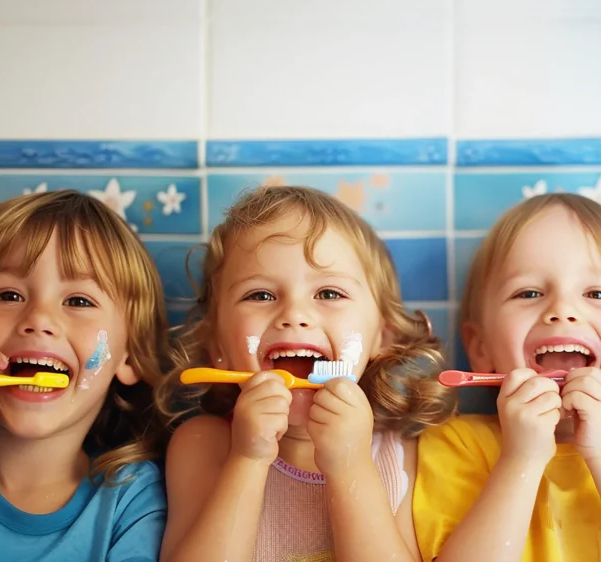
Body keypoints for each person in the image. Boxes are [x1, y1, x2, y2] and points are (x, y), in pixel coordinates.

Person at [157, 185, 457, 561]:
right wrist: (247, 460)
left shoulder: (399, 454)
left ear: (384, 335)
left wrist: (350, 465)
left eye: (329, 293)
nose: (294, 315)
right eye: (260, 295)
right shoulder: (203, 443)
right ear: (216, 345)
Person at [415, 193, 601, 561]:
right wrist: (521, 460)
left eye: (597, 293)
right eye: (528, 293)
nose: (563, 310)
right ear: (480, 348)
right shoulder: (454, 445)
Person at [0, 190, 170, 561]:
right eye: (8, 295)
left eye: (79, 301)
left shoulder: (131, 499)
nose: (38, 319)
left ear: (129, 358)